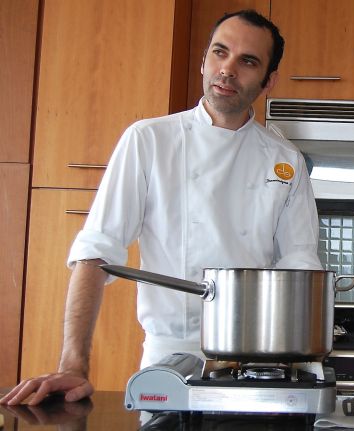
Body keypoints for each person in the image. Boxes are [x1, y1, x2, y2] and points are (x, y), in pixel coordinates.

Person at [1, 9, 321, 406]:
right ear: (204, 60)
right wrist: (73, 365)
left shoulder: (285, 160)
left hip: (258, 365)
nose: (227, 69)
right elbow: (96, 252)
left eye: (248, 61)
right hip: (170, 358)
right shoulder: (149, 141)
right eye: (220, 52)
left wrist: (302, 363)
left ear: (268, 80)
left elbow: (300, 267)